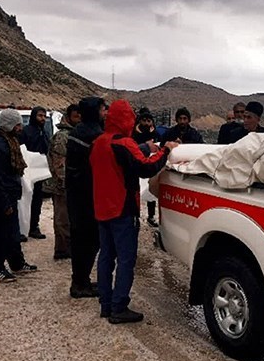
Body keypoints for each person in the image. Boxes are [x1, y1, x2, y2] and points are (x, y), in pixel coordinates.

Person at [90, 100, 179, 323]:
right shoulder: (124, 143)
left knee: (106, 257)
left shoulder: (98, 142)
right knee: (126, 259)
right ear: (127, 120)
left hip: (102, 207)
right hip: (123, 208)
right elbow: (146, 168)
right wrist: (167, 150)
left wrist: (144, 149)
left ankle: (106, 304)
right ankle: (119, 307)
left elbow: (118, 161)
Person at [0, 108, 38, 282]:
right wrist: (4, 204)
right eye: (18, 124)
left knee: (12, 232)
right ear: (10, 125)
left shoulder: (8, 140)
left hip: (8, 194)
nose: (21, 128)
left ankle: (16, 263)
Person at [65, 96, 108, 298]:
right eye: (102, 109)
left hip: (76, 195)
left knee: (80, 240)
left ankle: (80, 280)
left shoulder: (77, 131)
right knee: (89, 241)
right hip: (87, 197)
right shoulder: (94, 136)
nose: (105, 113)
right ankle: (80, 284)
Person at [45, 104, 80, 261]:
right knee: (62, 219)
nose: (79, 119)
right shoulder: (62, 136)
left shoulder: (74, 134)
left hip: (68, 184)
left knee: (67, 218)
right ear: (68, 117)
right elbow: (59, 163)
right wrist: (66, 183)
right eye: (75, 116)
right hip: (62, 185)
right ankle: (63, 249)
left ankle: (64, 248)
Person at [19, 106, 49, 240]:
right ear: (34, 116)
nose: (42, 119)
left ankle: (33, 227)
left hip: (39, 173)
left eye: (44, 116)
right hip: (27, 171)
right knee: (24, 200)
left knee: (37, 200)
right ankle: (21, 229)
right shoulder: (26, 132)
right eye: (40, 116)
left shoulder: (44, 132)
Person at [131, 107, 161, 227]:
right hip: (137, 166)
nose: (147, 123)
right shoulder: (133, 134)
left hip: (150, 165)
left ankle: (151, 216)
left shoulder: (155, 133)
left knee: (151, 191)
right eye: (144, 120)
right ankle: (136, 215)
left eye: (149, 121)